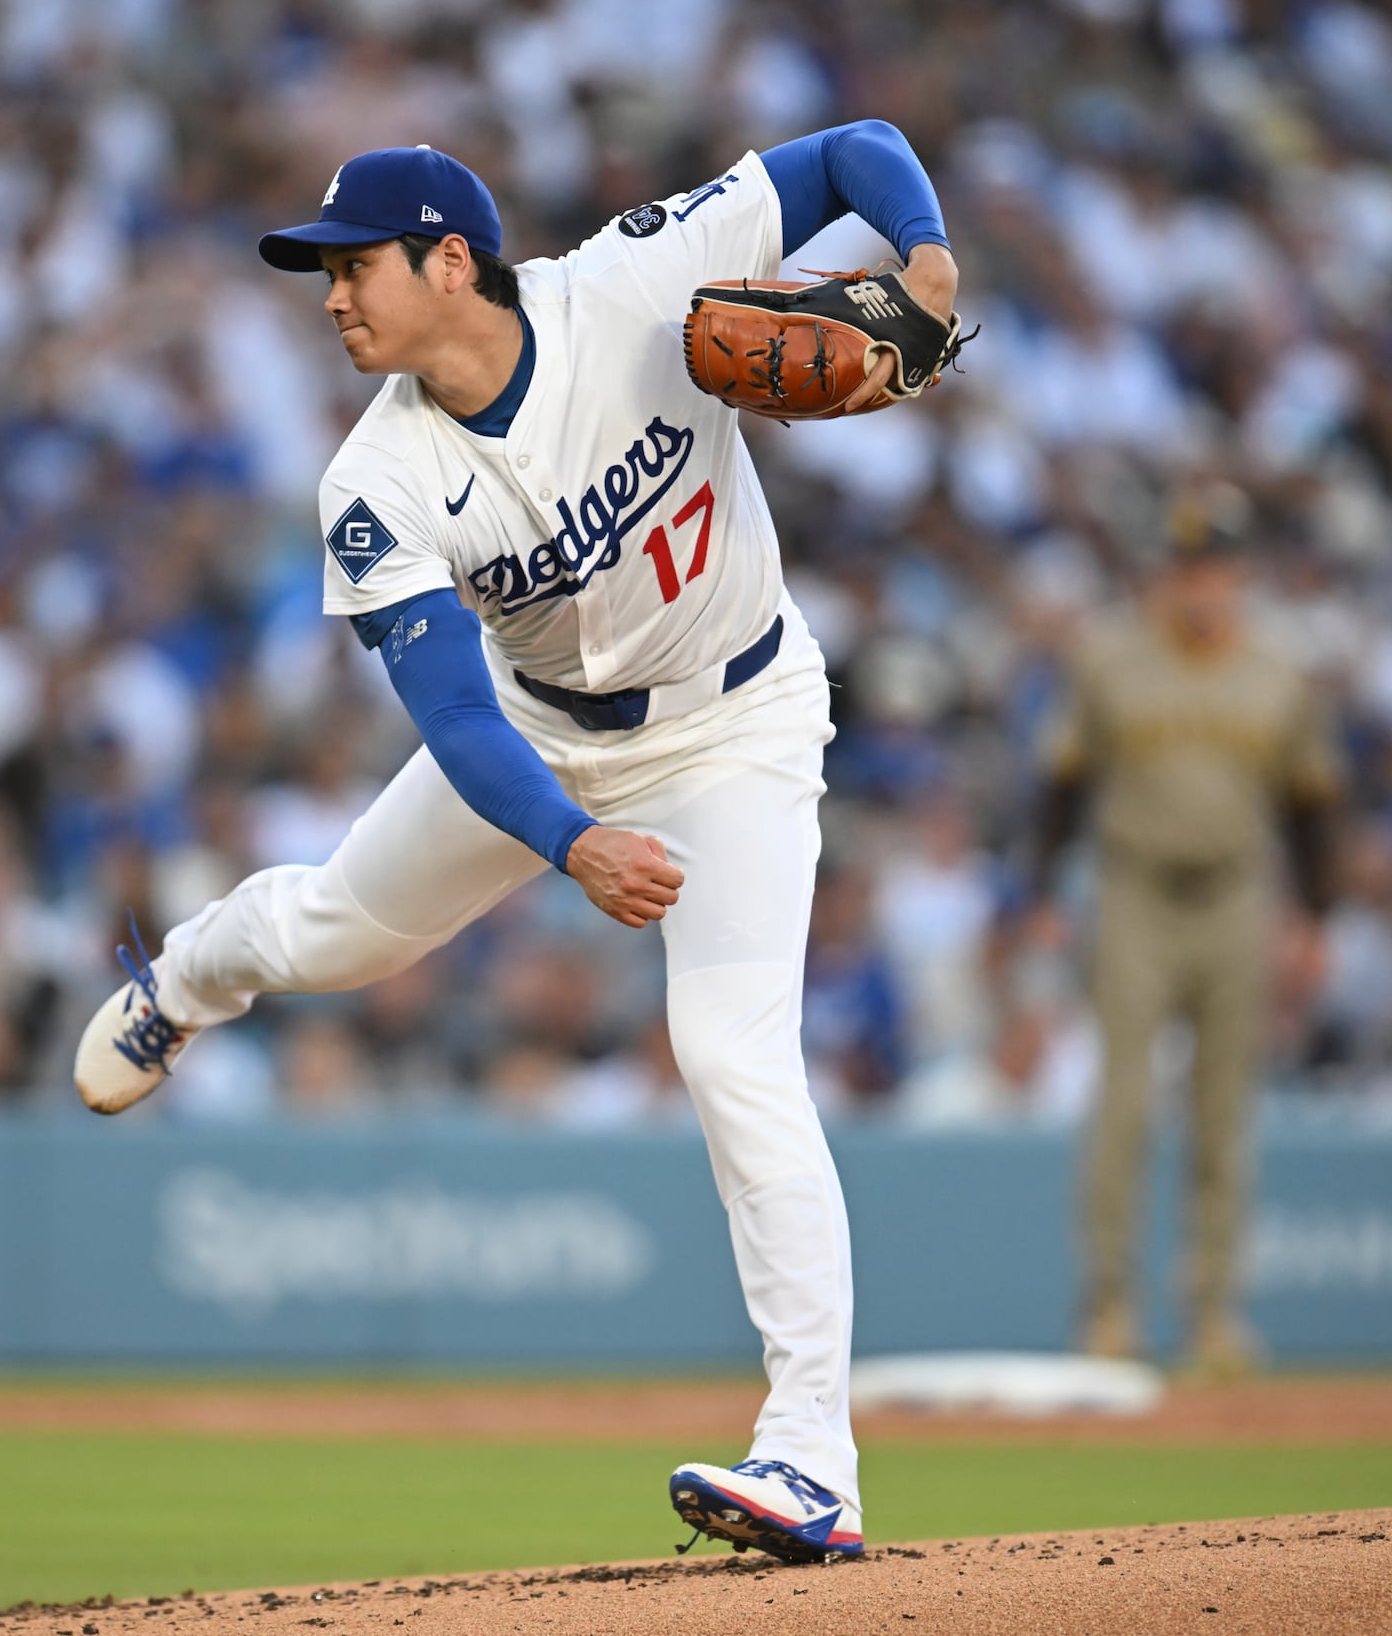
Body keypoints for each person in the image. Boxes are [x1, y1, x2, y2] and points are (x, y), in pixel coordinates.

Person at [71, 127, 966, 1561]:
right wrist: (569, 842)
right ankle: (187, 976)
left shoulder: (630, 281)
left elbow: (857, 153)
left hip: (738, 718)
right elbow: (453, 712)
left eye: (351, 265)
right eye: (323, 274)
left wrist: (921, 257)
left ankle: (812, 1458)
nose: (332, 298)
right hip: (541, 740)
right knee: (332, 935)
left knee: (735, 1051)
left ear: (447, 258)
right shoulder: (374, 479)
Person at [1036, 485, 1339, 1379]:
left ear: (1240, 574)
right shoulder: (1110, 658)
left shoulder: (1280, 670)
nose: (1197, 584)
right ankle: (1109, 1305)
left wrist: (1317, 917)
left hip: (1239, 892)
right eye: (1183, 566)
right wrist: (1044, 889)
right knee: (1123, 1104)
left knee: (1221, 1111)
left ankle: (1213, 1312)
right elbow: (1061, 785)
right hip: (1134, 887)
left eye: (1213, 566)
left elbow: (1315, 806)